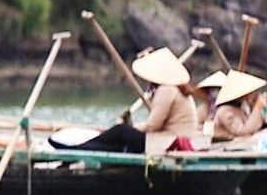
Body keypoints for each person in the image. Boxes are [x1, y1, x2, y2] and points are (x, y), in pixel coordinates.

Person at [51, 46, 199, 153]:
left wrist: (133, 128)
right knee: (118, 142)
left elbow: (153, 125)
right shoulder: (177, 89)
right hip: (169, 140)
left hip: (167, 143)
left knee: (122, 131)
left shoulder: (167, 90)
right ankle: (80, 149)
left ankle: (78, 149)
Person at [210, 70, 267, 138]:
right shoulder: (225, 112)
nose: (251, 94)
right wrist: (257, 107)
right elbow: (243, 132)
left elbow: (255, 124)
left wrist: (254, 108)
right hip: (227, 146)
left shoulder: (243, 106)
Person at [194, 71, 227, 136]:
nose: (215, 92)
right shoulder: (204, 109)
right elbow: (195, 125)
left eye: (218, 89)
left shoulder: (228, 110)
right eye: (212, 89)